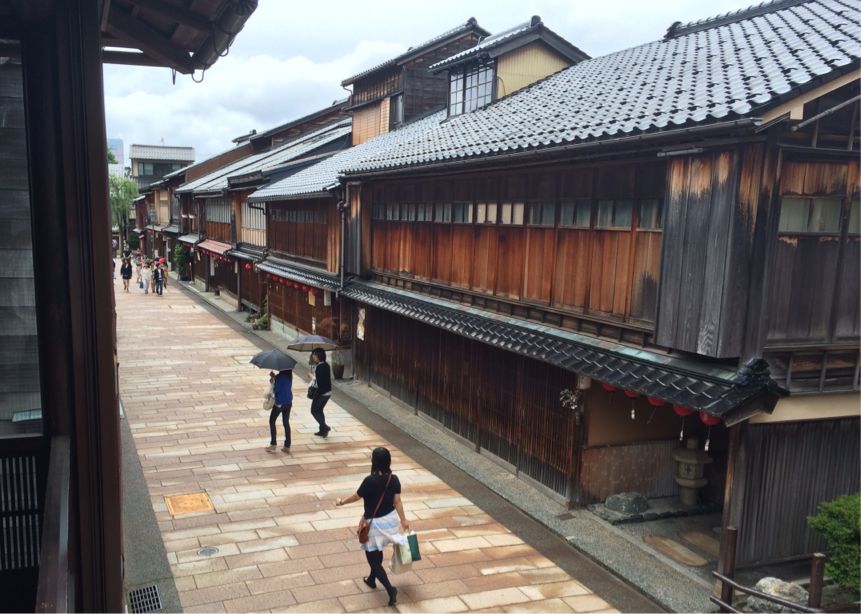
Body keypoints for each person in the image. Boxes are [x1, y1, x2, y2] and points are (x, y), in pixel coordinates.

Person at [336, 447, 408, 607]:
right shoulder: (394, 479)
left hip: (375, 525)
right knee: (377, 549)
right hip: (390, 522)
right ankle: (371, 579)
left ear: (374, 462)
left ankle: (390, 589)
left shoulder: (369, 481)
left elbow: (356, 496)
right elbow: (397, 501)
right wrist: (404, 520)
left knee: (372, 559)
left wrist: (341, 502)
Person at [267, 369, 293, 453]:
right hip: (288, 402)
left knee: (272, 421)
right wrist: (274, 378)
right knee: (286, 423)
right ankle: (287, 446)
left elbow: (276, 390)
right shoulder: (289, 376)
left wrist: (273, 382)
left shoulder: (279, 377)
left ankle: (273, 444)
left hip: (280, 403)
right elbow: (284, 386)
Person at [309, 347, 332, 437]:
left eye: (314, 355)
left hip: (321, 393)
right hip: (327, 392)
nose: (313, 356)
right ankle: (322, 430)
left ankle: (324, 427)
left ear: (319, 356)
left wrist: (311, 376)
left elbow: (318, 382)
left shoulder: (320, 367)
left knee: (314, 410)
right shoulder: (326, 365)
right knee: (319, 410)